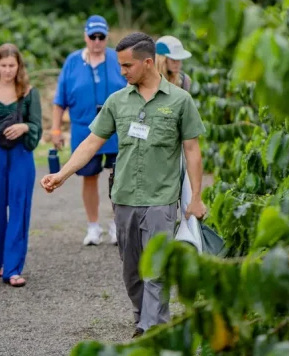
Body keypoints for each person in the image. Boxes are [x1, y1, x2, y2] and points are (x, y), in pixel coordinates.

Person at [41, 32, 207, 337]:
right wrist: (62, 174)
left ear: (147, 63)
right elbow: (92, 141)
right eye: (120, 65)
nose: (122, 71)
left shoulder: (180, 100)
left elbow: (192, 150)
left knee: (155, 270)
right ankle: (143, 315)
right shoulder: (118, 101)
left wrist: (196, 198)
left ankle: (150, 327)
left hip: (162, 198)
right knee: (132, 271)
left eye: (127, 65)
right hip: (125, 197)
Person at [51, 15, 127, 246]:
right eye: (92, 36)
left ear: (107, 37)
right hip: (84, 130)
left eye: (101, 37)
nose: (96, 41)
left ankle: (117, 224)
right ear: (85, 36)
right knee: (89, 176)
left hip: (116, 129)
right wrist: (55, 130)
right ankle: (93, 226)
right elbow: (60, 100)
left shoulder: (117, 58)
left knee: (119, 178)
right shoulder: (73, 61)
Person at [0, 44, 43, 287]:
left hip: (21, 153)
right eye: (3, 65)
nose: (8, 70)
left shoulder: (28, 91)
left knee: (20, 207)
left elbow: (37, 125)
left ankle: (13, 267)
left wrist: (25, 127)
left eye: (12, 65)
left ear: (19, 67)